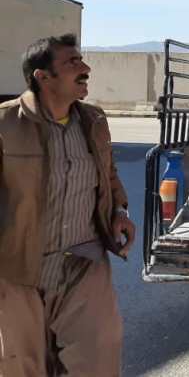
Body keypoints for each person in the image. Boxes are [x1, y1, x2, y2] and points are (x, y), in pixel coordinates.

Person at [0, 34, 135, 376]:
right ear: (42, 77)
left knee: (98, 355)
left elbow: (108, 172)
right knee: (23, 365)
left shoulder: (94, 120)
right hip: (18, 267)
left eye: (82, 60)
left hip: (84, 260)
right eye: (72, 63)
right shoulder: (5, 124)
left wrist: (120, 211)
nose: (85, 68)